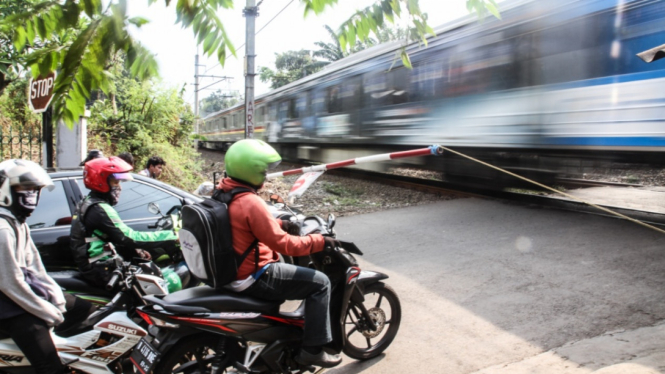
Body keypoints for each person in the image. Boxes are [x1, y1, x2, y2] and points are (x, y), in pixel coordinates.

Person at [217, 139, 342, 368]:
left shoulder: (223, 192)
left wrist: (278, 224)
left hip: (229, 273)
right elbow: (286, 246)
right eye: (263, 171)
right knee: (321, 283)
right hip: (253, 276)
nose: (265, 176)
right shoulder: (250, 201)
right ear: (252, 170)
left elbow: (244, 224)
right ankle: (312, 350)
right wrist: (319, 241)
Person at [0, 159, 95, 374]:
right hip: (9, 308)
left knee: (85, 309)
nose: (32, 194)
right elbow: (9, 283)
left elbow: (35, 268)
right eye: (25, 188)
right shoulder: (3, 229)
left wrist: (57, 298)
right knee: (50, 367)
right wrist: (47, 311)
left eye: (35, 189)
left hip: (21, 295)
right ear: (6, 189)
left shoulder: (17, 222)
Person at [70, 157, 179, 287]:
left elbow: (110, 235)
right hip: (103, 271)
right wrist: (173, 237)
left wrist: (136, 250)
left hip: (96, 266)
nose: (119, 187)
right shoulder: (99, 209)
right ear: (101, 182)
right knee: (165, 285)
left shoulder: (87, 202)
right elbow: (129, 236)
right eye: (115, 182)